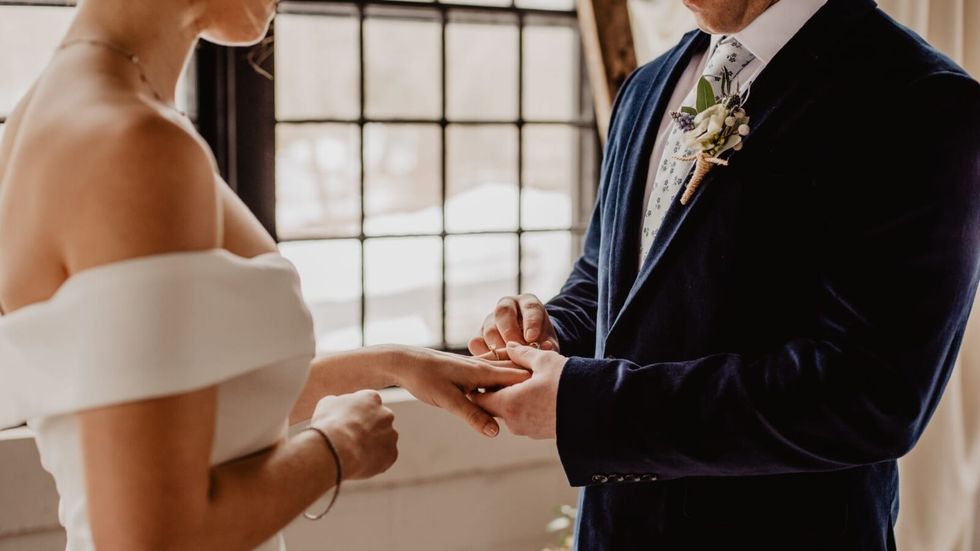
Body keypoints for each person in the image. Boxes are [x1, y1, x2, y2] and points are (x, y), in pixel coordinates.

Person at [0, 0, 527, 549]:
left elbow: (189, 414)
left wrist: (392, 365)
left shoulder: (52, 112)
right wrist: (339, 446)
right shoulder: (132, 143)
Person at [469, 0, 980, 549]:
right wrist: (548, 330)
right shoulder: (646, 86)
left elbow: (870, 395)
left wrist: (587, 405)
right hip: (612, 531)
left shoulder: (919, 98)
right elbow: (609, 275)